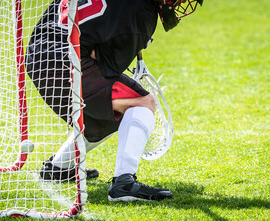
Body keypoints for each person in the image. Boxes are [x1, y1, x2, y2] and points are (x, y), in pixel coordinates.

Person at [25, 0, 203, 201]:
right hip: (68, 63)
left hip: (37, 56)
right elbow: (107, 64)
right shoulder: (140, 10)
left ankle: (58, 167)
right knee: (143, 103)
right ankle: (124, 184)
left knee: (110, 113)